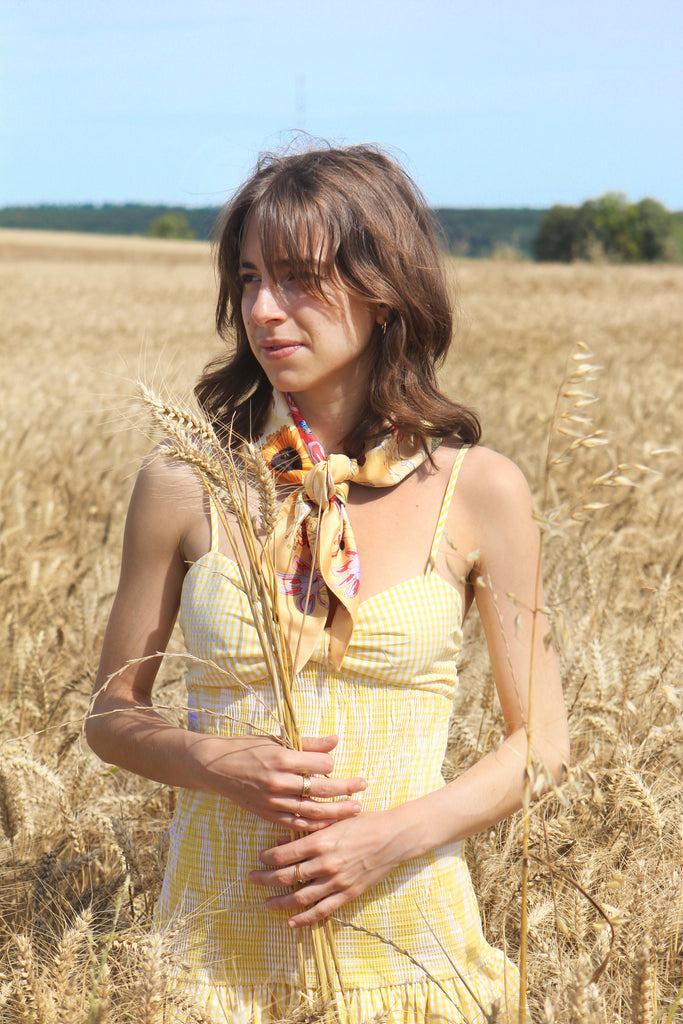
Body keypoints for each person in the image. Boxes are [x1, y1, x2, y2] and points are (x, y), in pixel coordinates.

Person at [86, 144, 569, 1024]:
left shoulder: (479, 490)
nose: (265, 310)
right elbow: (112, 716)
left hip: (411, 961)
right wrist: (214, 759)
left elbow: (540, 744)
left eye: (301, 279)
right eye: (247, 279)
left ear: (385, 291)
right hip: (207, 966)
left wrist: (384, 842)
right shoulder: (186, 483)